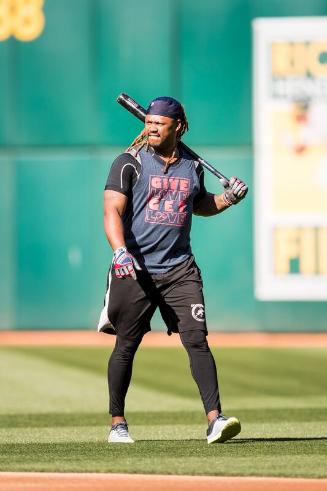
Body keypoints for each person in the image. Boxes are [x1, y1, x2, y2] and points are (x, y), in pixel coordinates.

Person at [98, 96, 248, 444]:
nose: (150, 127)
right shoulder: (128, 162)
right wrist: (120, 252)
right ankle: (117, 423)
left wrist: (227, 199)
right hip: (134, 268)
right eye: (148, 122)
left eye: (158, 123)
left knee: (197, 340)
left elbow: (199, 205)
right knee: (127, 345)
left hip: (180, 269)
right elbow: (111, 212)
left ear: (178, 127)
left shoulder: (192, 168)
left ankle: (215, 420)